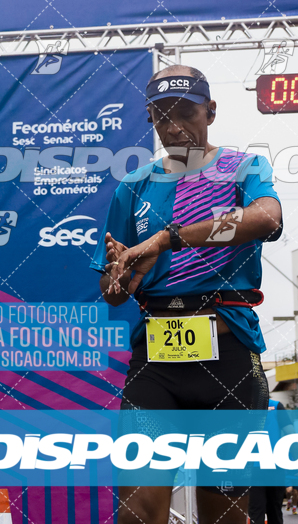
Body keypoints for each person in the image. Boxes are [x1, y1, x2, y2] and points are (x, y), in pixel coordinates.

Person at [92, 65, 283, 524]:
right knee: (137, 508)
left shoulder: (244, 167)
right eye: (161, 117)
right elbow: (110, 289)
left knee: (223, 512)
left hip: (229, 355)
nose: (173, 127)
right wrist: (120, 280)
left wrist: (168, 238)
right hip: (156, 362)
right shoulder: (133, 186)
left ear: (211, 112)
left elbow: (267, 219)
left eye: (185, 113)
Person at [249, 400, 291, 524]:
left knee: (256, 511)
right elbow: (291, 434)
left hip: (252, 468)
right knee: (275, 510)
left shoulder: (243, 406)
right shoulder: (277, 406)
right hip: (275, 467)